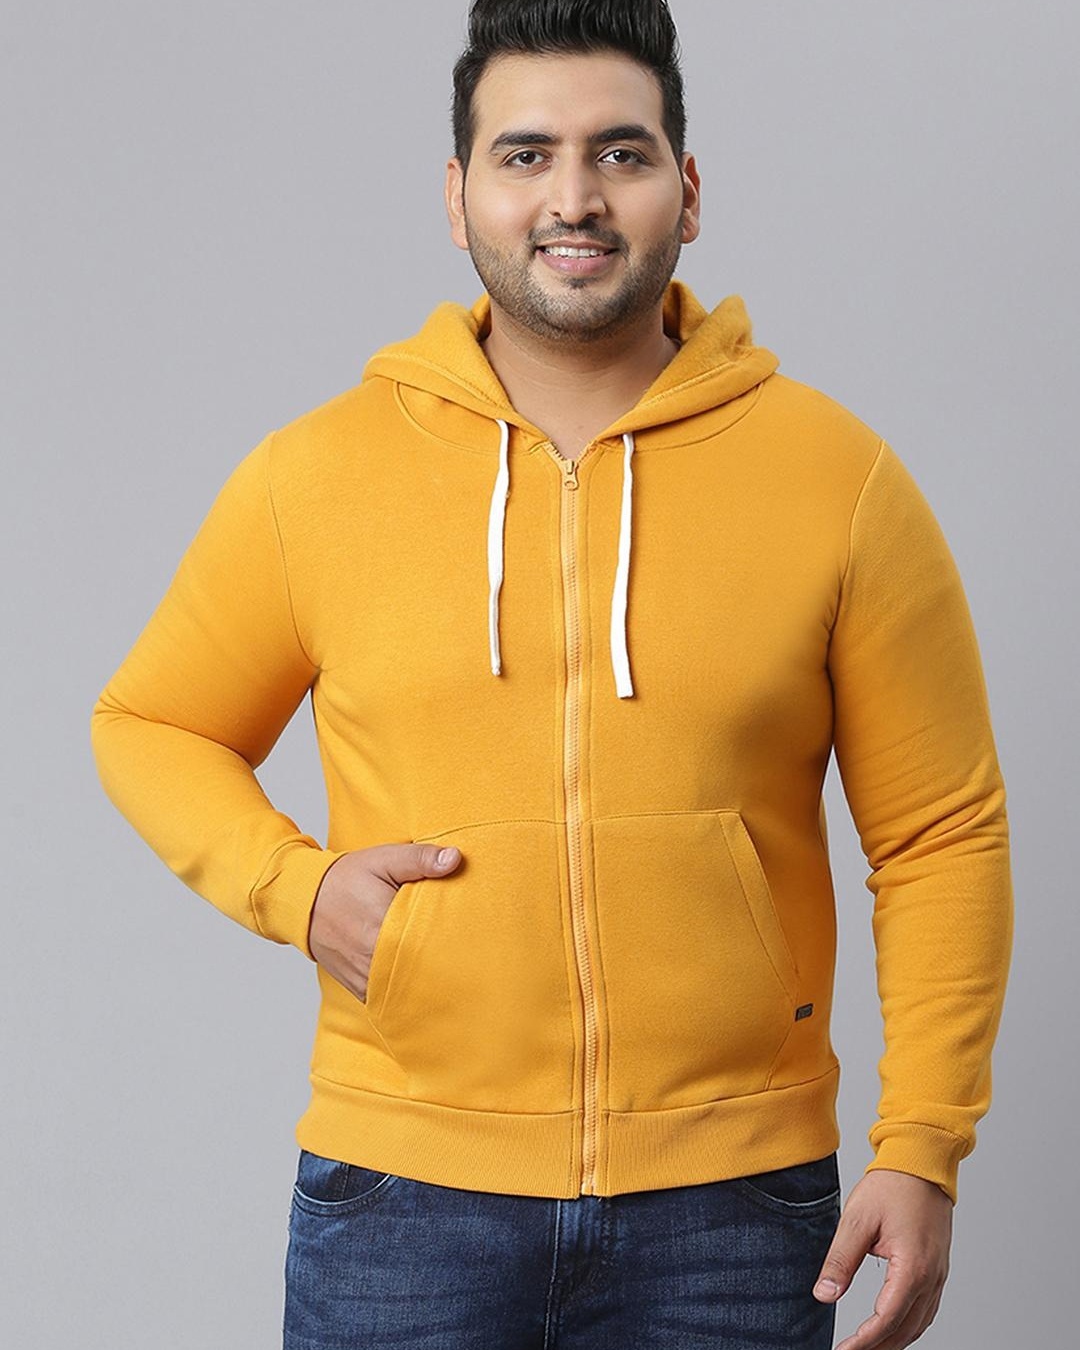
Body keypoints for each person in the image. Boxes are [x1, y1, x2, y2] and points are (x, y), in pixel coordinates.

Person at [91, 1, 1013, 1346]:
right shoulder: (316, 478)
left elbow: (941, 832)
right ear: (456, 195)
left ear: (686, 191)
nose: (572, 197)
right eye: (524, 155)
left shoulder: (840, 480)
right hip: (403, 1196)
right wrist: (296, 888)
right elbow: (151, 721)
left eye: (619, 153)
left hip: (733, 1206)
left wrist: (923, 1141)